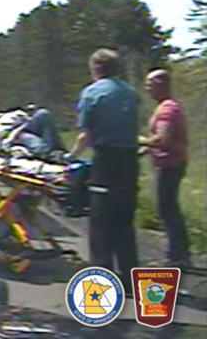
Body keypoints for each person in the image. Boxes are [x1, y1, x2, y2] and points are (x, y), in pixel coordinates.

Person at [68, 48, 140, 287]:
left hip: (106, 161)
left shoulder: (92, 93)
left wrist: (71, 157)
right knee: (124, 222)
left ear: (95, 69)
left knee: (100, 223)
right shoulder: (131, 94)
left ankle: (103, 277)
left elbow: (86, 135)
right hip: (129, 161)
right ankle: (130, 276)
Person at [139, 69, 192, 268]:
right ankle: (179, 252)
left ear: (161, 84)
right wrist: (144, 151)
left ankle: (177, 256)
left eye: (150, 85)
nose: (147, 89)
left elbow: (162, 140)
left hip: (171, 165)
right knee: (168, 208)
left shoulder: (168, 110)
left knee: (168, 209)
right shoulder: (164, 107)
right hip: (167, 163)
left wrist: (138, 140)